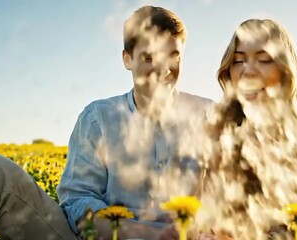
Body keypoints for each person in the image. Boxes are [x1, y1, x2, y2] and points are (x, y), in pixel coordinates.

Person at [56, 5, 214, 240]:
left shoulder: (207, 115)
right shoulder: (98, 118)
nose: (165, 69)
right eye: (150, 57)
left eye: (174, 55)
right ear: (127, 59)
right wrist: (146, 232)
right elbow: (77, 200)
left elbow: (227, 197)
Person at [198, 18, 297, 239]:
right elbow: (214, 204)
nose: (248, 71)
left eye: (264, 59)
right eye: (238, 61)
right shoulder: (220, 124)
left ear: (285, 69)